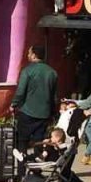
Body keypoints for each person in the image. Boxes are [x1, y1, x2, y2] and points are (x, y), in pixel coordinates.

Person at [10, 45, 58, 174]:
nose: (28, 55)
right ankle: (36, 172)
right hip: (44, 114)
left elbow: (20, 92)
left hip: (27, 112)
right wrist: (53, 113)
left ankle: (21, 172)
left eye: (29, 53)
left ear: (34, 55)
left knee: (22, 142)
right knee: (39, 143)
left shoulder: (27, 71)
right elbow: (54, 96)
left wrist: (14, 104)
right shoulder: (52, 72)